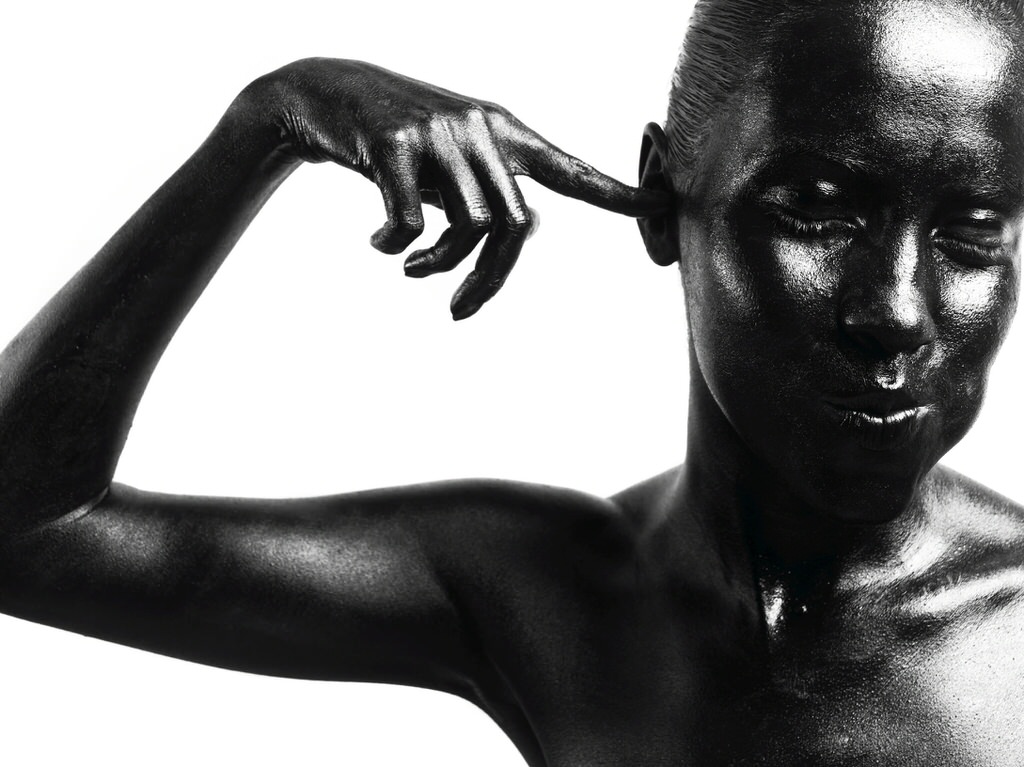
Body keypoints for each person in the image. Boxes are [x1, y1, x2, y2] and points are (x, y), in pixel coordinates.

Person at [1, 0, 1023, 764]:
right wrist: (271, 117)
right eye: (815, 206)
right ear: (663, 200)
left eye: (973, 230)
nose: (892, 308)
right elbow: (23, 528)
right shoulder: (548, 591)